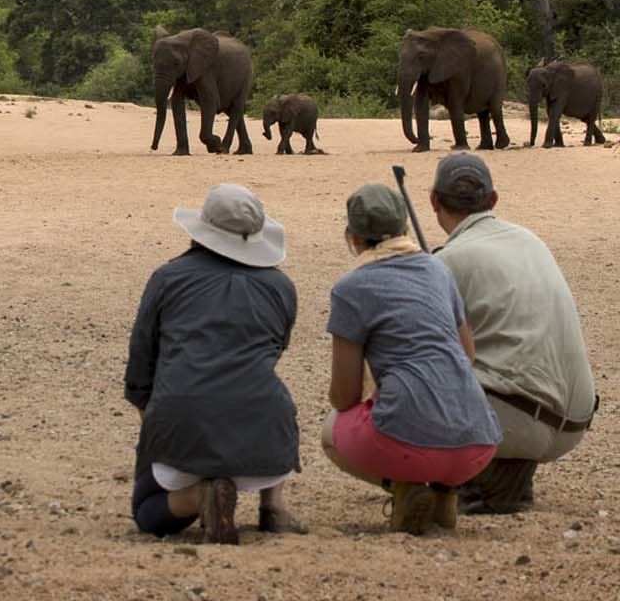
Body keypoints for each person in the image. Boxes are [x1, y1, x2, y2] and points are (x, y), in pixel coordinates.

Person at [127, 183, 302, 545]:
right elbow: (273, 351)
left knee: (146, 510)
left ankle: (200, 496)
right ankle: (274, 503)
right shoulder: (281, 286)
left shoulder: (167, 277)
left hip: (183, 416)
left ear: (202, 229)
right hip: (264, 431)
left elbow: (141, 368)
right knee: (273, 394)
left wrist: (156, 433)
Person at [321, 184, 500, 534]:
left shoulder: (350, 289)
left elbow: (344, 395)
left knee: (333, 430)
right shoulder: (438, 270)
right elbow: (468, 354)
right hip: (479, 445)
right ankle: (444, 495)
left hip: (406, 444)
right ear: (404, 227)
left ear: (352, 236)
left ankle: (404, 489)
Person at [428, 153, 599, 513]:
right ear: (493, 200)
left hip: (520, 422)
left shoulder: (446, 261)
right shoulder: (530, 240)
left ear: (434, 201)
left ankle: (479, 477)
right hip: (573, 423)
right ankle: (503, 471)